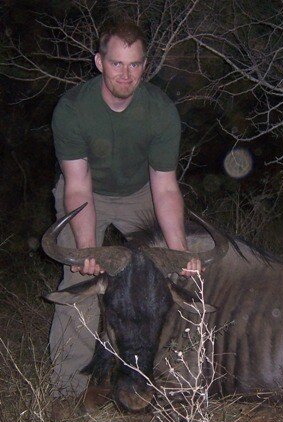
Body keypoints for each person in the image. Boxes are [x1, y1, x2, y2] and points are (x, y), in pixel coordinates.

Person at [49, 20, 200, 400]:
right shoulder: (71, 109)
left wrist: (178, 251)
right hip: (87, 194)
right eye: (117, 64)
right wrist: (88, 250)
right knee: (78, 284)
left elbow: (165, 187)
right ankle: (66, 391)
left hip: (140, 193)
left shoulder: (161, 110)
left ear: (144, 66)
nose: (125, 74)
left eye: (134, 65)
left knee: (179, 282)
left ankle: (182, 382)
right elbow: (78, 184)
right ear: (99, 62)